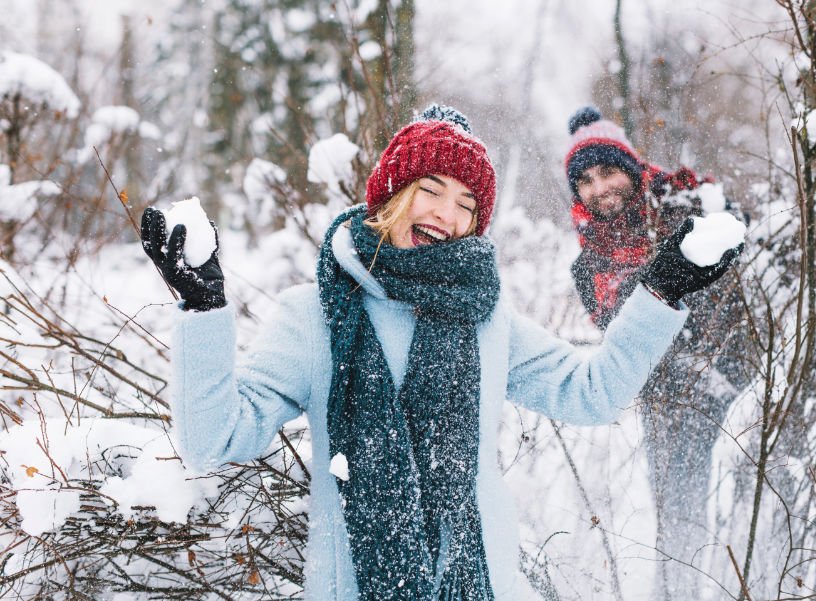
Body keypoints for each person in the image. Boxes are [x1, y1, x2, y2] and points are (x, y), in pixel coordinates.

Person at [140, 104, 740, 601]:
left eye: (466, 205)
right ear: (392, 194)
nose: (446, 215)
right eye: (430, 190)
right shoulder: (313, 317)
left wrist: (660, 290)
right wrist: (202, 310)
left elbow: (592, 392)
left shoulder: (484, 315)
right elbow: (214, 439)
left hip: (483, 585)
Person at [565, 105, 714, 328]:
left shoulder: (682, 207)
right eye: (586, 181)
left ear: (631, 171)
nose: (600, 189)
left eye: (607, 173)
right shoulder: (587, 267)